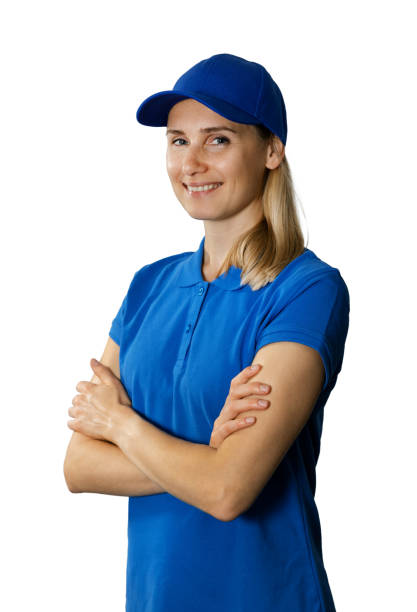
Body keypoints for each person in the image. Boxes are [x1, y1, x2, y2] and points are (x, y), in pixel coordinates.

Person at [63, 53, 350, 612]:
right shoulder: (148, 286)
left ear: (271, 151)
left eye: (217, 139)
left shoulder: (307, 289)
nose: (191, 163)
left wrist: (121, 424)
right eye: (177, 141)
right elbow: (79, 466)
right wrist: (208, 454)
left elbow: (227, 491)